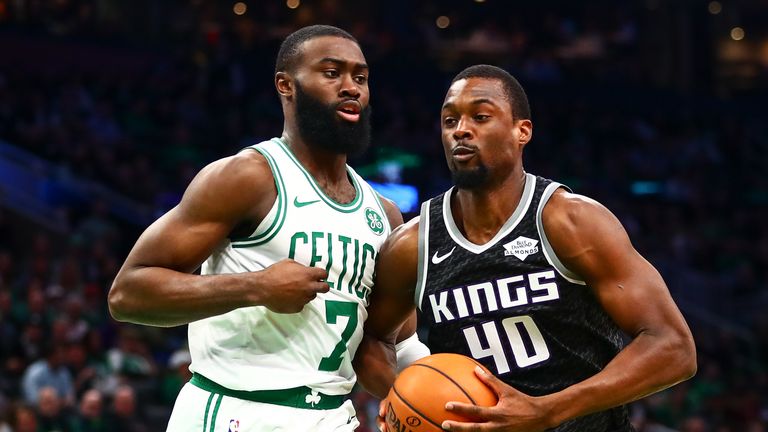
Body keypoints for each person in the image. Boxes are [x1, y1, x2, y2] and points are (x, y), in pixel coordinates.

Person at [108, 24, 425, 431]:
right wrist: (254, 287)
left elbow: (395, 342)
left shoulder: (384, 214)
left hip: (332, 416)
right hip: (234, 411)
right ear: (286, 85)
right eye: (332, 73)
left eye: (360, 77)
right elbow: (128, 293)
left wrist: (433, 398)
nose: (351, 87)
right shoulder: (249, 177)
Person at [355, 65, 697, 431]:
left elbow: (674, 347)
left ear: (523, 131)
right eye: (449, 120)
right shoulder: (414, 244)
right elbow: (373, 338)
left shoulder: (571, 221)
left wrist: (548, 409)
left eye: (481, 116)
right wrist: (404, 399)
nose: (461, 130)